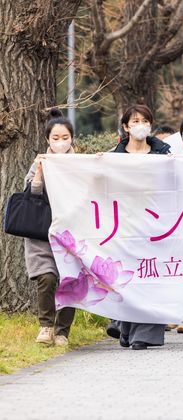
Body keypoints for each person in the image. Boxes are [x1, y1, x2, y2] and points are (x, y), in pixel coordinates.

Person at [110, 104, 171, 350]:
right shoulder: (114, 157)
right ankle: (126, 327)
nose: (140, 125)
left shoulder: (164, 154)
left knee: (151, 276)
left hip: (156, 225)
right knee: (128, 278)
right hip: (123, 226)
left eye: (145, 120)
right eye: (134, 121)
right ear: (126, 126)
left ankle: (144, 334)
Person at [24, 109, 77, 347]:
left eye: (64, 137)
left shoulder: (80, 164)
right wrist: (40, 172)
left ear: (72, 138)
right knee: (46, 278)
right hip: (42, 234)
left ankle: (63, 331)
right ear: (48, 139)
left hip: (72, 235)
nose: (60, 142)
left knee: (70, 280)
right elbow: (31, 195)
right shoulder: (40, 163)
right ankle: (46, 327)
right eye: (55, 138)